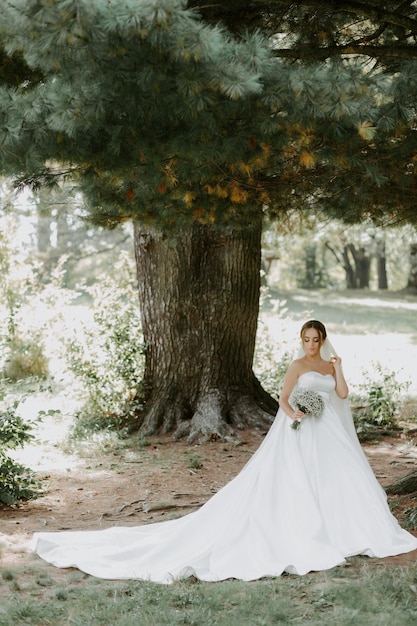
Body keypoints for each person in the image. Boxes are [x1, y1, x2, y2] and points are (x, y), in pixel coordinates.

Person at [33, 320, 417, 583]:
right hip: (300, 428)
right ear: (302, 340)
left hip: (328, 432)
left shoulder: (330, 365)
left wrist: (340, 368)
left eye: (316, 339)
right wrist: (296, 413)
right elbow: (283, 399)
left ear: (324, 339)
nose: (311, 344)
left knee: (339, 478)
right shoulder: (297, 364)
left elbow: (344, 395)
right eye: (306, 338)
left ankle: (341, 526)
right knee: (298, 479)